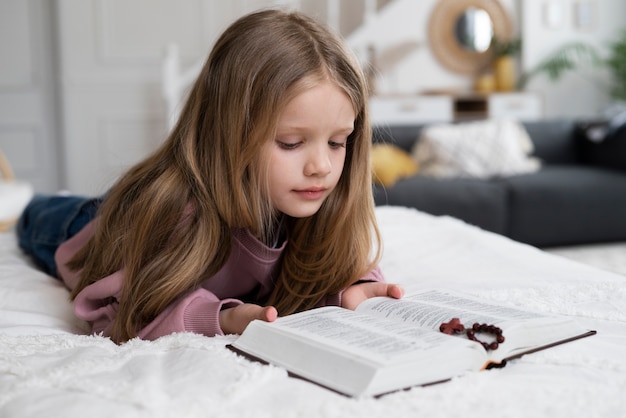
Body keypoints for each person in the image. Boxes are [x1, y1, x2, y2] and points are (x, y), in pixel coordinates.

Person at [16, 9, 402, 344]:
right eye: (290, 143)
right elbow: (117, 311)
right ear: (228, 134)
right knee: (35, 213)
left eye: (337, 142)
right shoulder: (174, 210)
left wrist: (353, 287)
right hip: (93, 224)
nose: (322, 165)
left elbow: (334, 265)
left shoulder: (315, 195)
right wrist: (220, 318)